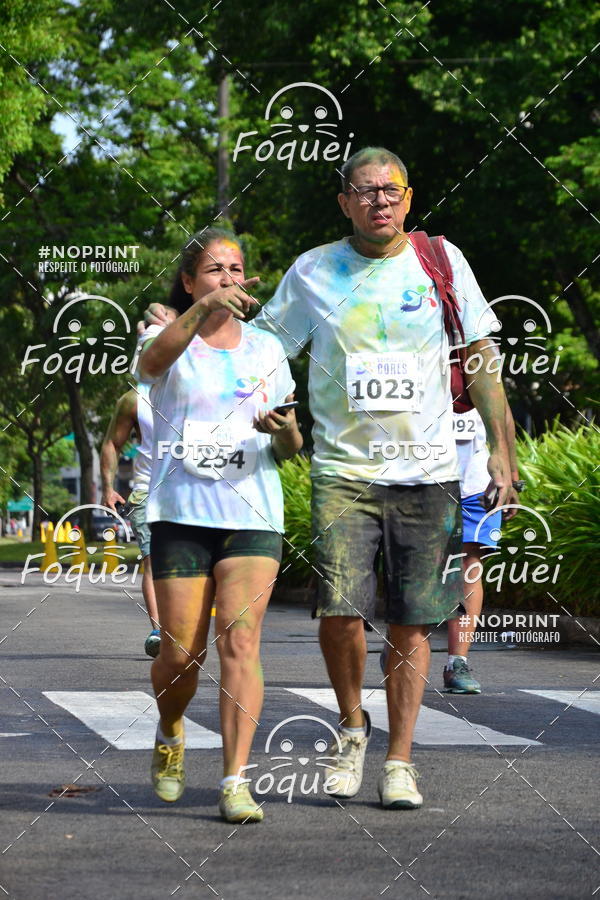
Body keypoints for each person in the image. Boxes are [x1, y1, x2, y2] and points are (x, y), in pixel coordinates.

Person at [143, 147, 513, 811]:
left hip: (428, 470)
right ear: (344, 202)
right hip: (343, 471)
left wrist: (501, 451)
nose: (381, 201)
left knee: (410, 625)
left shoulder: (442, 262)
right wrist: (244, 406)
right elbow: (263, 350)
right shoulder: (314, 272)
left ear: (408, 195)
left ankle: (399, 762)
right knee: (340, 612)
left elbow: (480, 359)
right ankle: (351, 726)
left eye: (392, 190)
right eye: (366, 191)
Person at [135, 227, 302, 823]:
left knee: (241, 640)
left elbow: (290, 446)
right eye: (213, 270)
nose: (228, 278)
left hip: (252, 512)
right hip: (181, 511)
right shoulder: (165, 337)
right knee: (182, 653)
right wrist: (201, 311)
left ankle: (236, 779)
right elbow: (151, 367)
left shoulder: (265, 349)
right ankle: (172, 725)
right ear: (188, 282)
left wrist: (280, 430)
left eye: (235, 268)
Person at [444, 401, 521, 692]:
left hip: (476, 481)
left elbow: (501, 410)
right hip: (419, 475)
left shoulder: (482, 358)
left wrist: (511, 476)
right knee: (419, 565)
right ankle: (403, 646)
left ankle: (457, 662)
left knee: (469, 565)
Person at [100, 384, 160, 658]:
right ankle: (159, 631)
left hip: (191, 490)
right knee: (152, 559)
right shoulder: (135, 399)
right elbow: (112, 442)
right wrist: (107, 487)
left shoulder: (202, 386)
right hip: (147, 490)